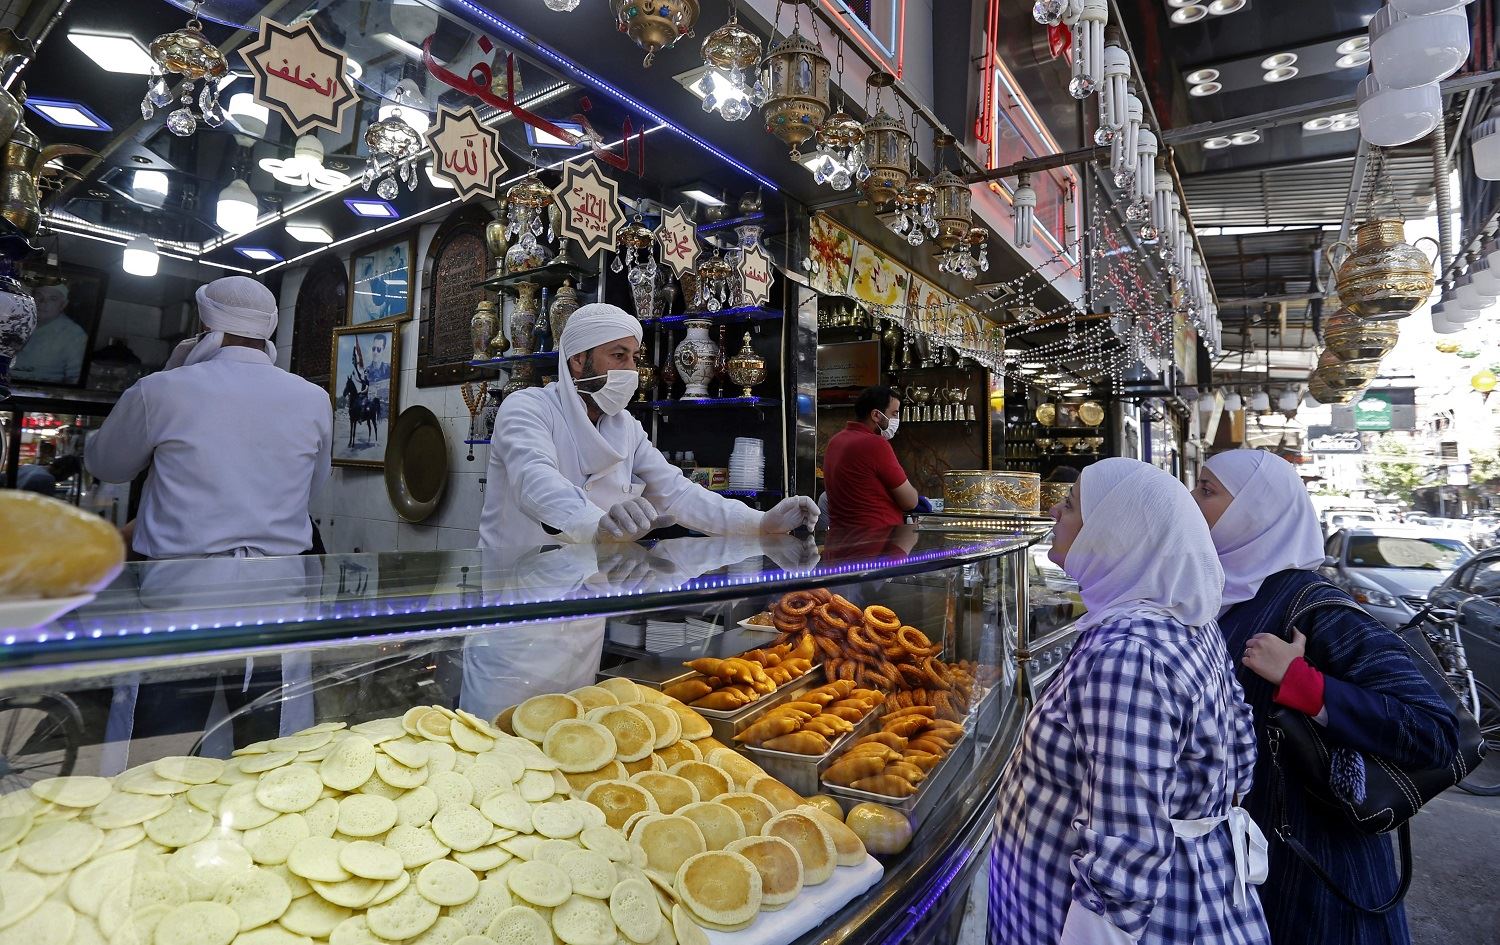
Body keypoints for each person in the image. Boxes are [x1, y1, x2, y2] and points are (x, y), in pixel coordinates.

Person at [990, 458, 1269, 945]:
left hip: (1100, 923)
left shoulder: (1128, 654)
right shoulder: (1186, 617)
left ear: (1117, 531)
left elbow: (1127, 854)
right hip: (1199, 888)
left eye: (1072, 504)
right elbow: (1241, 753)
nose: (1055, 511)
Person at [1192, 449, 1459, 945]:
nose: (1192, 500)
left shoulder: (1315, 607)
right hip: (1253, 861)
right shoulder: (1226, 594)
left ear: (1257, 511)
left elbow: (1433, 731)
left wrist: (1301, 681)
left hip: (1320, 871)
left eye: (1207, 491)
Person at [479, 302, 818, 547]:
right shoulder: (527, 408)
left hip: (586, 612)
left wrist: (760, 522)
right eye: (618, 355)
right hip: (515, 608)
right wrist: (595, 524)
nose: (631, 369)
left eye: (634, 357)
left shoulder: (625, 426)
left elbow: (678, 494)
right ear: (578, 360)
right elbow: (535, 482)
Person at [85, 276, 333, 558]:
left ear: (205, 325)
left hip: (179, 583)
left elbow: (106, 467)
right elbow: (312, 485)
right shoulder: (314, 397)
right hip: (280, 582)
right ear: (269, 327)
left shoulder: (161, 389)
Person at [822, 385, 927, 531]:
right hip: (877, 540)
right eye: (894, 413)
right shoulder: (875, 444)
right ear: (876, 415)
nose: (896, 419)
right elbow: (910, 501)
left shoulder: (836, 441)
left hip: (840, 539)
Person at [13, 282, 86, 384]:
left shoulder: (74, 334)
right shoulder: (14, 321)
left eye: (53, 299)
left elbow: (75, 379)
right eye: (39, 296)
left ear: (63, 305)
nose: (43, 302)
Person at [15, 454, 80, 495]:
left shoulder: (29, 467)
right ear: (62, 469)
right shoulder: (47, 479)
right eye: (68, 475)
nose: (65, 479)